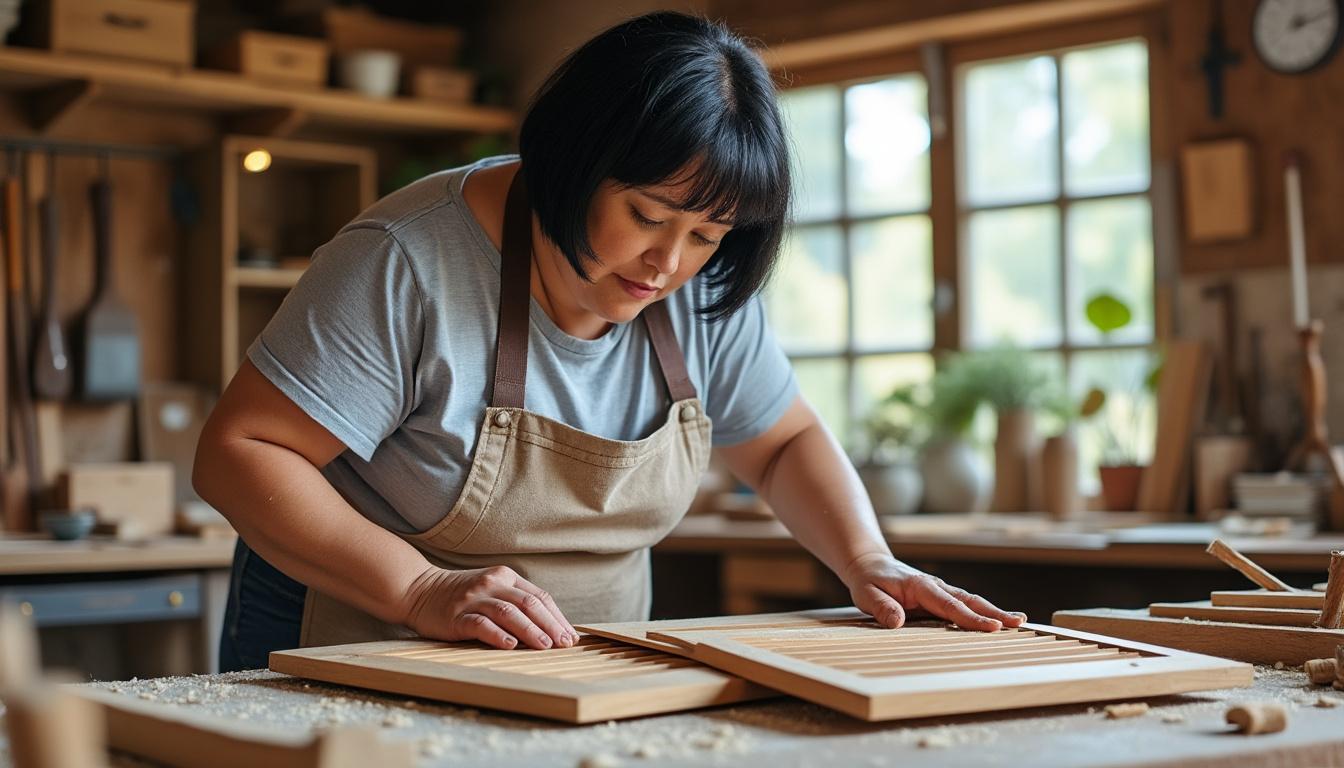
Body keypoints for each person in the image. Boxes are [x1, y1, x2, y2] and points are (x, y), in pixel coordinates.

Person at [196, 11, 1025, 673]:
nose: (669, 263)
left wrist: (868, 560)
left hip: (583, 669)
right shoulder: (409, 260)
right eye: (647, 216)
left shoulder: (701, 283)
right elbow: (240, 450)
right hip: (360, 640)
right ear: (573, 159)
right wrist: (418, 589)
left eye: (707, 234)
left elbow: (782, 443)